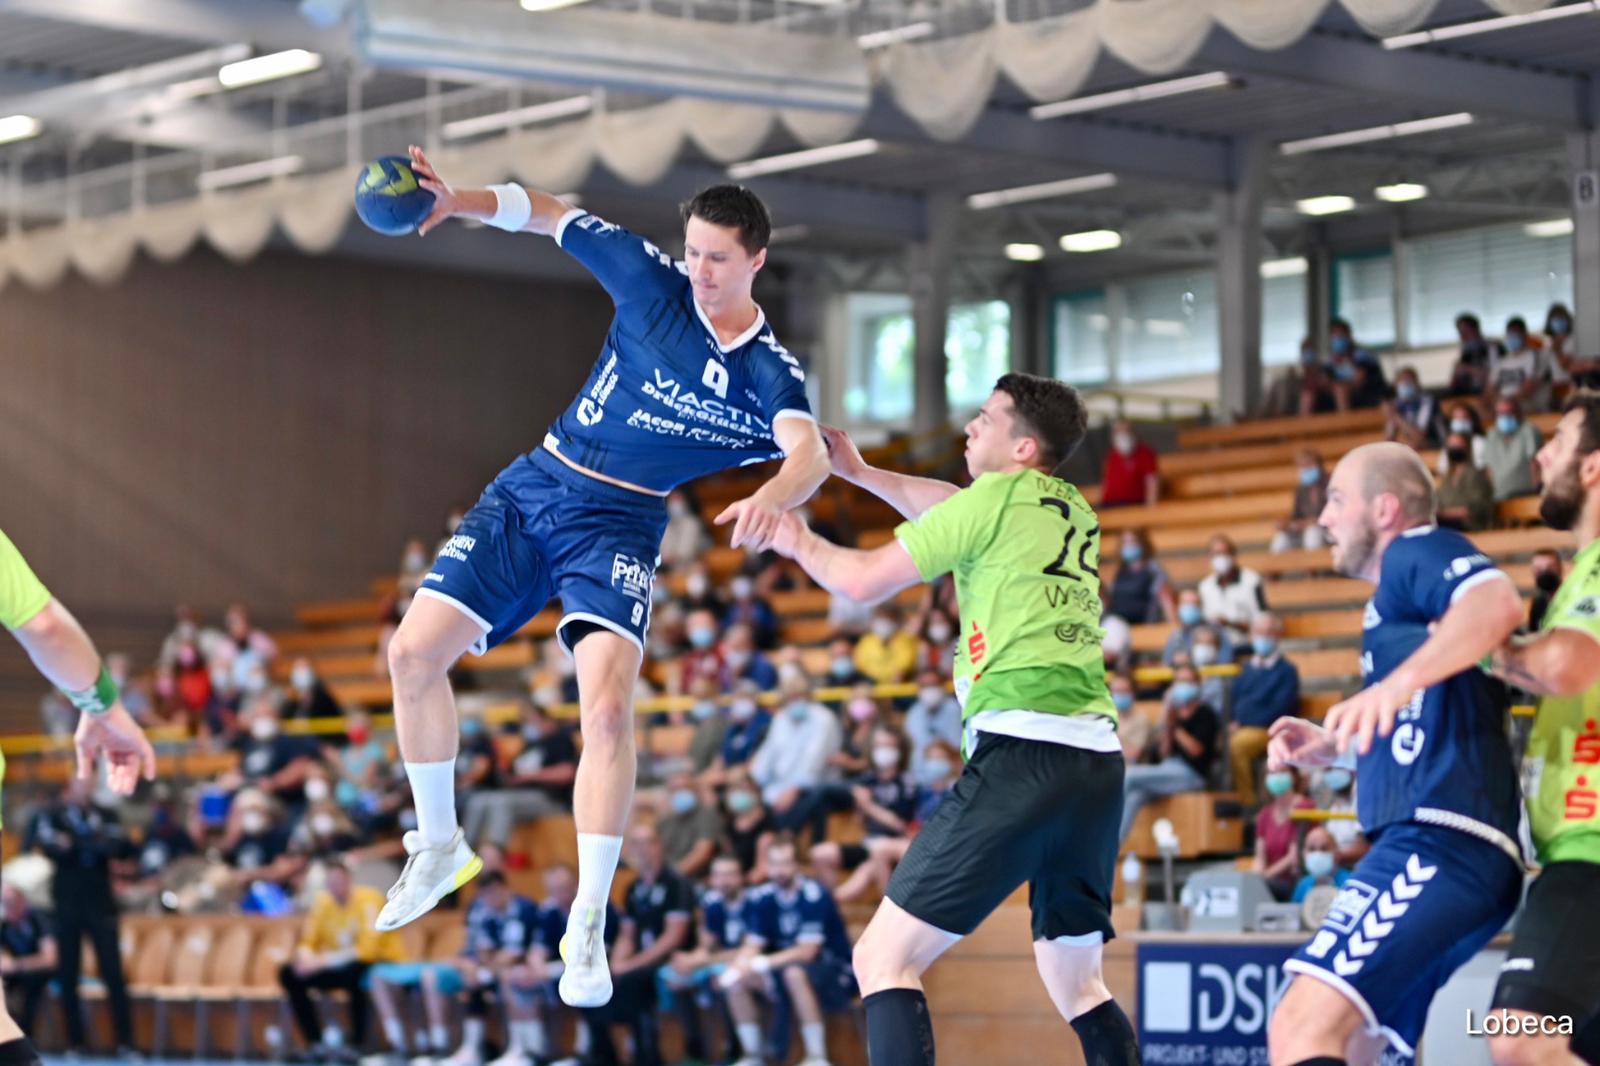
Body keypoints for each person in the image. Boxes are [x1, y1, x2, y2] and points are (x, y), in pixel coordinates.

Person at [379, 148, 831, 1023]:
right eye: (693, 251)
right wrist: (456, 200)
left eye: (719, 258)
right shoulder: (651, 282)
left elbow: (808, 451)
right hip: (536, 487)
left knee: (610, 714)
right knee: (410, 656)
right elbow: (550, 211)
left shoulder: (767, 370)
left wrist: (774, 497)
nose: (700, 271)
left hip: (619, 527)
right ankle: (438, 844)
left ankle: (587, 921)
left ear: (757, 261)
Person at [768, 374, 1139, 1066]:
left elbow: (860, 581)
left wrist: (797, 540)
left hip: (1021, 755)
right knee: (1078, 982)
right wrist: (862, 474)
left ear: (1023, 447)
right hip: (1095, 766)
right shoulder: (1067, 506)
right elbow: (954, 506)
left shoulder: (993, 500)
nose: (970, 427)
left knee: (883, 958)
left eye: (986, 418)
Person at [1264, 442, 1527, 1065]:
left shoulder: (1416, 551)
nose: (1323, 517)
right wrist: (1337, 750)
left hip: (1442, 842)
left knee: (1300, 1026)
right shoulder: (1399, 605)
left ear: (1384, 509)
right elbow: (1425, 719)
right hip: (1439, 842)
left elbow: (1497, 605)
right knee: (1356, 1046)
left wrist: (1392, 686)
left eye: (1336, 499)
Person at [1481, 394, 1600, 1066]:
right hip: (1573, 848)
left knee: (1521, 1035)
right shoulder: (1582, 573)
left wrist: (1478, 645)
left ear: (1592, 467)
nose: (1541, 454)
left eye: (1557, 440)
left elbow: (1565, 666)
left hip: (1593, 850)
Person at [725, 838, 857, 1066]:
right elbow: (753, 942)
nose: (779, 871)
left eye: (785, 863)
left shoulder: (814, 894)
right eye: (774, 864)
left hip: (836, 971)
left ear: (797, 865)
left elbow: (808, 952)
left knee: (794, 974)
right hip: (784, 968)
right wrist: (740, 965)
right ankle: (753, 1056)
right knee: (738, 980)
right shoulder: (762, 896)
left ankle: (817, 1057)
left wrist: (762, 963)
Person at [580, 822, 695, 1066]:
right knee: (591, 980)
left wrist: (630, 965)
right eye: (636, 844)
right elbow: (627, 935)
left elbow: (673, 938)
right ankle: (604, 1056)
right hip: (640, 959)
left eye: (648, 842)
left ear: (659, 846)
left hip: (671, 958)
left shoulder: (676, 884)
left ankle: (648, 1057)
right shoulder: (634, 888)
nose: (642, 849)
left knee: (635, 982)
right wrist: (616, 964)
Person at [279, 861, 402, 1063]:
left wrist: (322, 961)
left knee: (356, 974)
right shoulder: (323, 903)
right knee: (290, 974)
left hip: (377, 962)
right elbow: (308, 941)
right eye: (331, 883)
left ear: (349, 880)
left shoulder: (369, 900)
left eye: (339, 882)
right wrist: (306, 959)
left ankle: (358, 1044)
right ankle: (315, 1043)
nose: (336, 888)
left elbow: (367, 951)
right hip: (338, 965)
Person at [1118, 665, 1219, 842]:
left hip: (1192, 774)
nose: (1183, 685)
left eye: (1187, 681)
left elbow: (1196, 750)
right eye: (1179, 681)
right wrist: (1167, 728)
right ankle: (1113, 846)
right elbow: (1164, 753)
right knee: (1135, 796)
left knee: (1130, 776)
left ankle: (1101, 830)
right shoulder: (1174, 713)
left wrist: (1175, 727)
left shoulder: (1205, 713)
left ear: (1197, 684)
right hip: (1169, 767)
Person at [1226, 613, 1301, 805]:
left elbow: (1282, 708)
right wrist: (1233, 721)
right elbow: (1234, 700)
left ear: (1278, 636)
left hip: (1270, 730)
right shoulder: (1245, 669)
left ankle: (1248, 803)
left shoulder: (1286, 671)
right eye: (1259, 632)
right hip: (1242, 727)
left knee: (1238, 744)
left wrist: (1243, 722)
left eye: (1269, 632)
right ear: (1251, 635)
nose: (1264, 637)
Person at [0, 888, 55, 1041]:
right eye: (4, 904)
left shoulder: (39, 919)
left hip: (42, 972)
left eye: (11, 903)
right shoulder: (5, 925)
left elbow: (50, 960)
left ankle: (25, 1035)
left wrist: (17, 964)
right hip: (18, 972)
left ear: (22, 902)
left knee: (31, 981)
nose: (8, 908)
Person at [1252, 770, 1313, 901]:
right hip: (1268, 880)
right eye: (1272, 773)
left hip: (1293, 880)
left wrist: (1265, 877)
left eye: (1282, 771)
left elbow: (1293, 856)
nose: (1277, 776)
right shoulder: (1264, 814)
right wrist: (1257, 876)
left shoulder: (1304, 807)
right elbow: (1260, 856)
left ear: (1293, 775)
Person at [1105, 529, 1176, 624]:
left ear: (1142, 543)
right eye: (1125, 542)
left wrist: (1172, 624)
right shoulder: (1120, 571)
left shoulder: (1153, 570)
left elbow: (1165, 596)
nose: (1129, 545)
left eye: (1132, 541)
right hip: (1119, 623)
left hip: (1146, 623)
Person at [1483, 395, 1544, 501]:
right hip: (1498, 496)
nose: (1505, 416)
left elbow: (1535, 464)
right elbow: (1489, 470)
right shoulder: (1491, 434)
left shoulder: (1529, 431)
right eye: (1501, 413)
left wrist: (1537, 492)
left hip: (1526, 494)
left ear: (1518, 413)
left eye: (1509, 412)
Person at [1435, 429, 1497, 532]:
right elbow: (1439, 502)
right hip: (1447, 523)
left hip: (1470, 525)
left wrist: (1444, 513)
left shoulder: (1476, 475)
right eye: (1451, 446)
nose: (1454, 448)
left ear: (1467, 448)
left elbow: (1471, 509)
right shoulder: (1447, 478)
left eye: (1458, 445)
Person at [1272, 450, 1329, 553]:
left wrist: (1315, 521)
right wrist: (1286, 523)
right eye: (1302, 466)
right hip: (1304, 530)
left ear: (1319, 465)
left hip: (1327, 531)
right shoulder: (1301, 489)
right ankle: (1274, 564)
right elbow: (1297, 515)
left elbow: (1336, 513)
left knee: (1312, 533)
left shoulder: (1331, 484)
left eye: (1308, 465)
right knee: (1281, 538)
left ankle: (1314, 563)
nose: (1304, 469)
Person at [1097, 418, 1160, 507]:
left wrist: (1150, 508)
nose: (1122, 434)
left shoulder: (1145, 453)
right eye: (1119, 430)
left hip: (1132, 504)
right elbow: (1105, 483)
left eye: (1126, 430)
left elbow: (1152, 482)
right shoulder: (1112, 455)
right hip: (1108, 504)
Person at [1289, 826, 1351, 903]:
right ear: (1303, 854)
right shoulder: (1303, 885)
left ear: (1336, 852)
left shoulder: (1350, 883)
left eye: (1324, 848)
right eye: (1312, 849)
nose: (1318, 853)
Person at [1384, 367, 1438, 450]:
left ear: (1417, 384)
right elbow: (1389, 440)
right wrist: (1391, 416)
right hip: (1410, 445)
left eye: (1409, 381)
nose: (1405, 384)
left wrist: (1396, 417)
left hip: (1434, 443)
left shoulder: (1426, 401)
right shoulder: (1396, 404)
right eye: (1402, 381)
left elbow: (1419, 437)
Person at [1527, 547, 1564, 632]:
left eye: (1550, 568)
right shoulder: (1538, 603)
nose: (1544, 572)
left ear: (1560, 569)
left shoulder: (1573, 599)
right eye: (1538, 569)